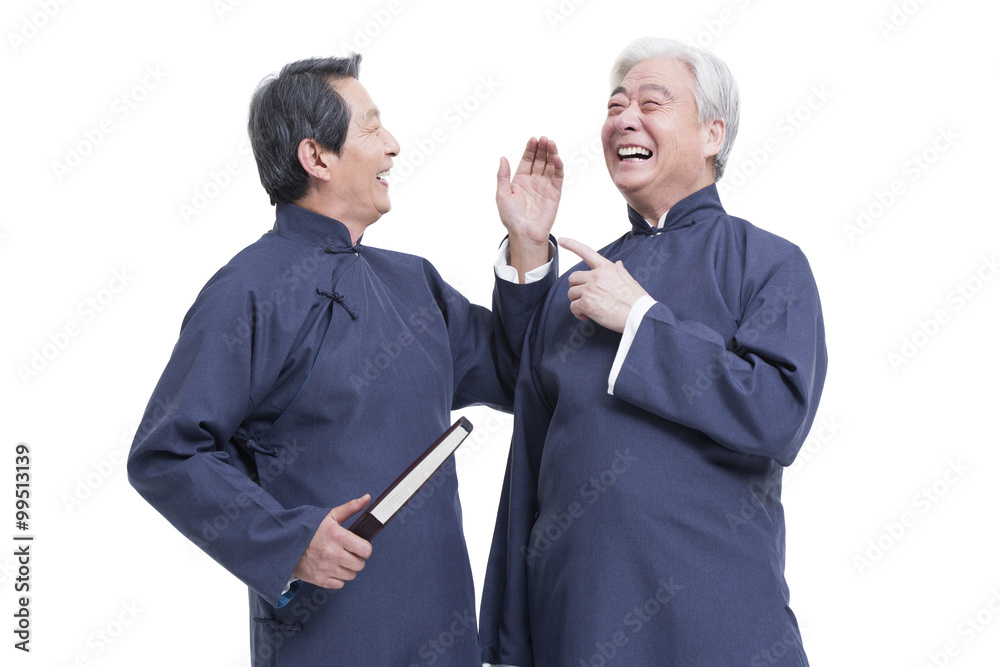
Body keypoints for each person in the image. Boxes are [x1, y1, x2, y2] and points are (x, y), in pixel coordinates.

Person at [127, 53, 563, 665]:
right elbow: (168, 452)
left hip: (444, 632)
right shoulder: (246, 290)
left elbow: (522, 373)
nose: (393, 145)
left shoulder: (415, 284)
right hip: (328, 639)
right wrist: (290, 541)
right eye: (371, 128)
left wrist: (528, 243)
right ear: (317, 157)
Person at [479, 37, 827, 666]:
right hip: (576, 626)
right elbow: (526, 467)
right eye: (615, 105)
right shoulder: (575, 286)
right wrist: (530, 248)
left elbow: (779, 416)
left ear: (712, 133)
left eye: (651, 103)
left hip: (717, 624)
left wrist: (640, 321)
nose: (624, 119)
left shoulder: (769, 264)